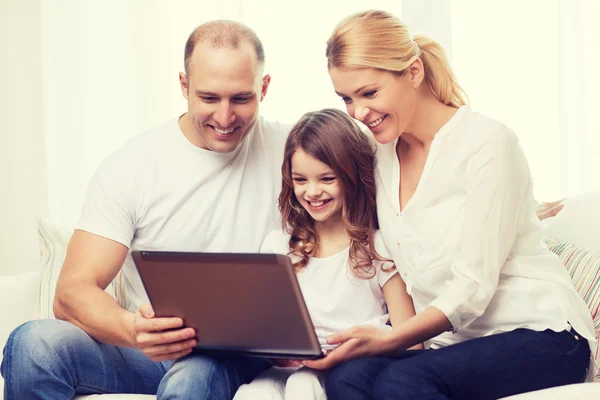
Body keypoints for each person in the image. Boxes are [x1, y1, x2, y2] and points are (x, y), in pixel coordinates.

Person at [300, 10, 598, 400]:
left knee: (402, 381)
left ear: (413, 72)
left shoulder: (488, 143)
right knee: (348, 377)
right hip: (454, 346)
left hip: (543, 335)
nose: (357, 112)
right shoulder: (379, 155)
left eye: (369, 93)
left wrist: (389, 340)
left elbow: (472, 287)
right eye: (347, 98)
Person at [1, 20, 292, 399]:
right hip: (147, 353)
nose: (224, 117)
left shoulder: (295, 153)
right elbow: (71, 291)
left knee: (191, 378)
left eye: (240, 98)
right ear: (184, 86)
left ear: (263, 88)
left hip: (239, 356)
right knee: (32, 346)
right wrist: (134, 330)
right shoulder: (134, 164)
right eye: (208, 98)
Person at [233, 109, 420, 400]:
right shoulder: (278, 246)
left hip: (346, 371)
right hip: (286, 369)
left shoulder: (379, 248)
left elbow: (411, 342)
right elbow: (264, 328)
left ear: (351, 176)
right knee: (252, 394)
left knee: (303, 387)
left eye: (327, 178)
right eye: (300, 179)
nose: (312, 191)